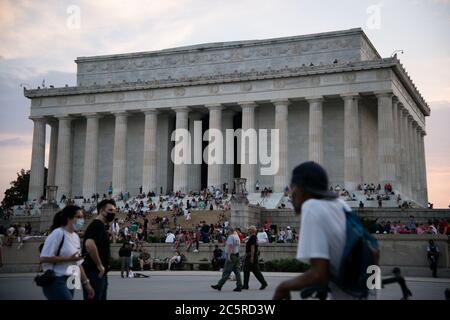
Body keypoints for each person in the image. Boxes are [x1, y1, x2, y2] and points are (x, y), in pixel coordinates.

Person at [273, 161, 362, 300]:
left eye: (292, 188)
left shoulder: (311, 207)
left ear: (301, 190)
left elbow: (318, 274)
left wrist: (283, 287)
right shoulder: (341, 204)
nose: (290, 195)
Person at [39, 206, 94, 300]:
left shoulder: (76, 236)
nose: (82, 220)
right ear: (69, 218)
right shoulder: (58, 233)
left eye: (82, 217)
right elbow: (43, 258)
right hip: (56, 278)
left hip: (71, 279)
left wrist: (86, 283)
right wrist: (69, 259)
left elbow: (78, 263)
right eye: (78, 217)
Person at [82, 199, 117, 300]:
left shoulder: (100, 225)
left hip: (99, 273)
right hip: (94, 273)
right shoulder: (97, 225)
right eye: (110, 210)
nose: (113, 213)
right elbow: (89, 244)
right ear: (101, 211)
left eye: (114, 211)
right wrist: (99, 265)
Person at [211, 227, 243, 292]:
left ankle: (219, 285)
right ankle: (239, 286)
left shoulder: (231, 237)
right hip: (236, 255)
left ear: (230, 231)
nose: (227, 231)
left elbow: (230, 247)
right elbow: (237, 246)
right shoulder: (237, 237)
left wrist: (228, 255)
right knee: (237, 271)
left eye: (228, 230)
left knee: (226, 271)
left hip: (231, 255)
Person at [243, 226, 267, 290]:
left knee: (247, 270)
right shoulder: (253, 237)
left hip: (251, 256)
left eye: (249, 229)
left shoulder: (253, 238)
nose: (248, 230)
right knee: (255, 271)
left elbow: (252, 248)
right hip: (251, 255)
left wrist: (252, 258)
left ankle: (246, 285)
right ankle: (263, 283)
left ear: (253, 231)